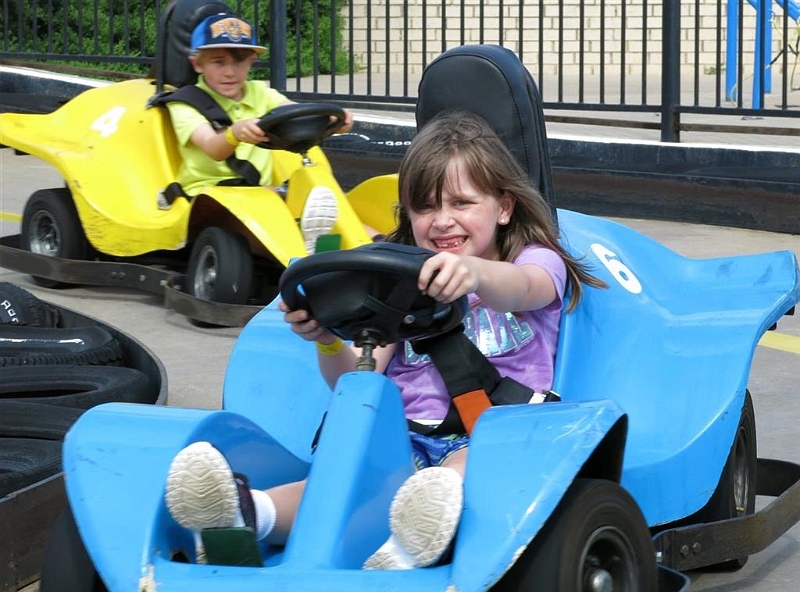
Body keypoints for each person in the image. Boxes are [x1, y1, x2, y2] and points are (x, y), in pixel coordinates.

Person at [164, 111, 606, 569]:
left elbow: (524, 287)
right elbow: (356, 379)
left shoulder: (533, 261)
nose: (443, 221)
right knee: (340, 484)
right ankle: (245, 515)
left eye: (462, 203)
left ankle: (405, 542)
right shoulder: (397, 281)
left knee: (456, 475)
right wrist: (327, 339)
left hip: (495, 432)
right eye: (426, 207)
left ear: (504, 207)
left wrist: (472, 273)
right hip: (405, 440)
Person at [166, 13, 354, 253]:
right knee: (272, 211)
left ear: (251, 61)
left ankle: (370, 245)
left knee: (319, 193)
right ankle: (309, 250)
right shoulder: (185, 103)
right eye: (218, 62)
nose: (229, 72)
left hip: (260, 194)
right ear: (197, 64)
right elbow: (212, 147)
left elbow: (292, 112)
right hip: (206, 199)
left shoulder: (260, 93)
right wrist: (234, 134)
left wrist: (333, 121)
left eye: (238, 62)